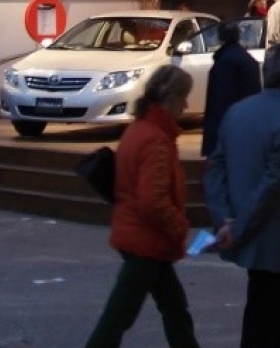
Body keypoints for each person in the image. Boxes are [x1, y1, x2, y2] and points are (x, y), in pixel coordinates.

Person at [85, 66, 201, 348]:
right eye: (184, 98)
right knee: (120, 315)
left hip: (139, 233)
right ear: (171, 98)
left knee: (172, 306)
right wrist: (178, 226)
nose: (186, 105)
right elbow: (153, 199)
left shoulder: (140, 129)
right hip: (146, 239)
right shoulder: (156, 139)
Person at [204, 42, 280, 348]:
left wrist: (224, 219)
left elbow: (215, 169)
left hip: (242, 227)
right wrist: (237, 228)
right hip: (272, 237)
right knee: (272, 321)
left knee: (258, 312)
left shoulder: (237, 111)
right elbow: (275, 183)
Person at [201, 20, 262, 158]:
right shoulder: (247, 60)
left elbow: (219, 101)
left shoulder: (225, 61)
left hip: (228, 129)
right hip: (246, 127)